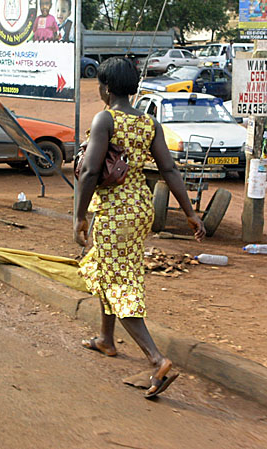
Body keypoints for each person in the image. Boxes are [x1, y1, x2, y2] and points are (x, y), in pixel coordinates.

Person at [74, 57, 205, 399]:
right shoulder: (150, 124)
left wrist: (78, 216)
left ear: (105, 88)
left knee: (116, 280)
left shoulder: (105, 119)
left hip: (114, 211)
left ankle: (156, 359)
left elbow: (89, 172)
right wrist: (190, 212)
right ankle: (106, 339)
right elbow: (170, 170)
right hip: (141, 209)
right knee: (113, 270)